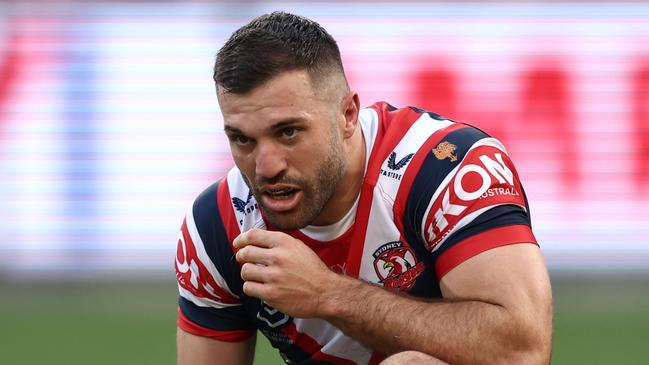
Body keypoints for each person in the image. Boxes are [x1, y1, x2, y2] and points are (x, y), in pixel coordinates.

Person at [175, 11, 552, 365]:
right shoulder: (217, 227)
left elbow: (522, 349)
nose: (265, 167)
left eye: (288, 132)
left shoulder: (447, 169)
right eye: (242, 139)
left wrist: (329, 295)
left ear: (348, 115)